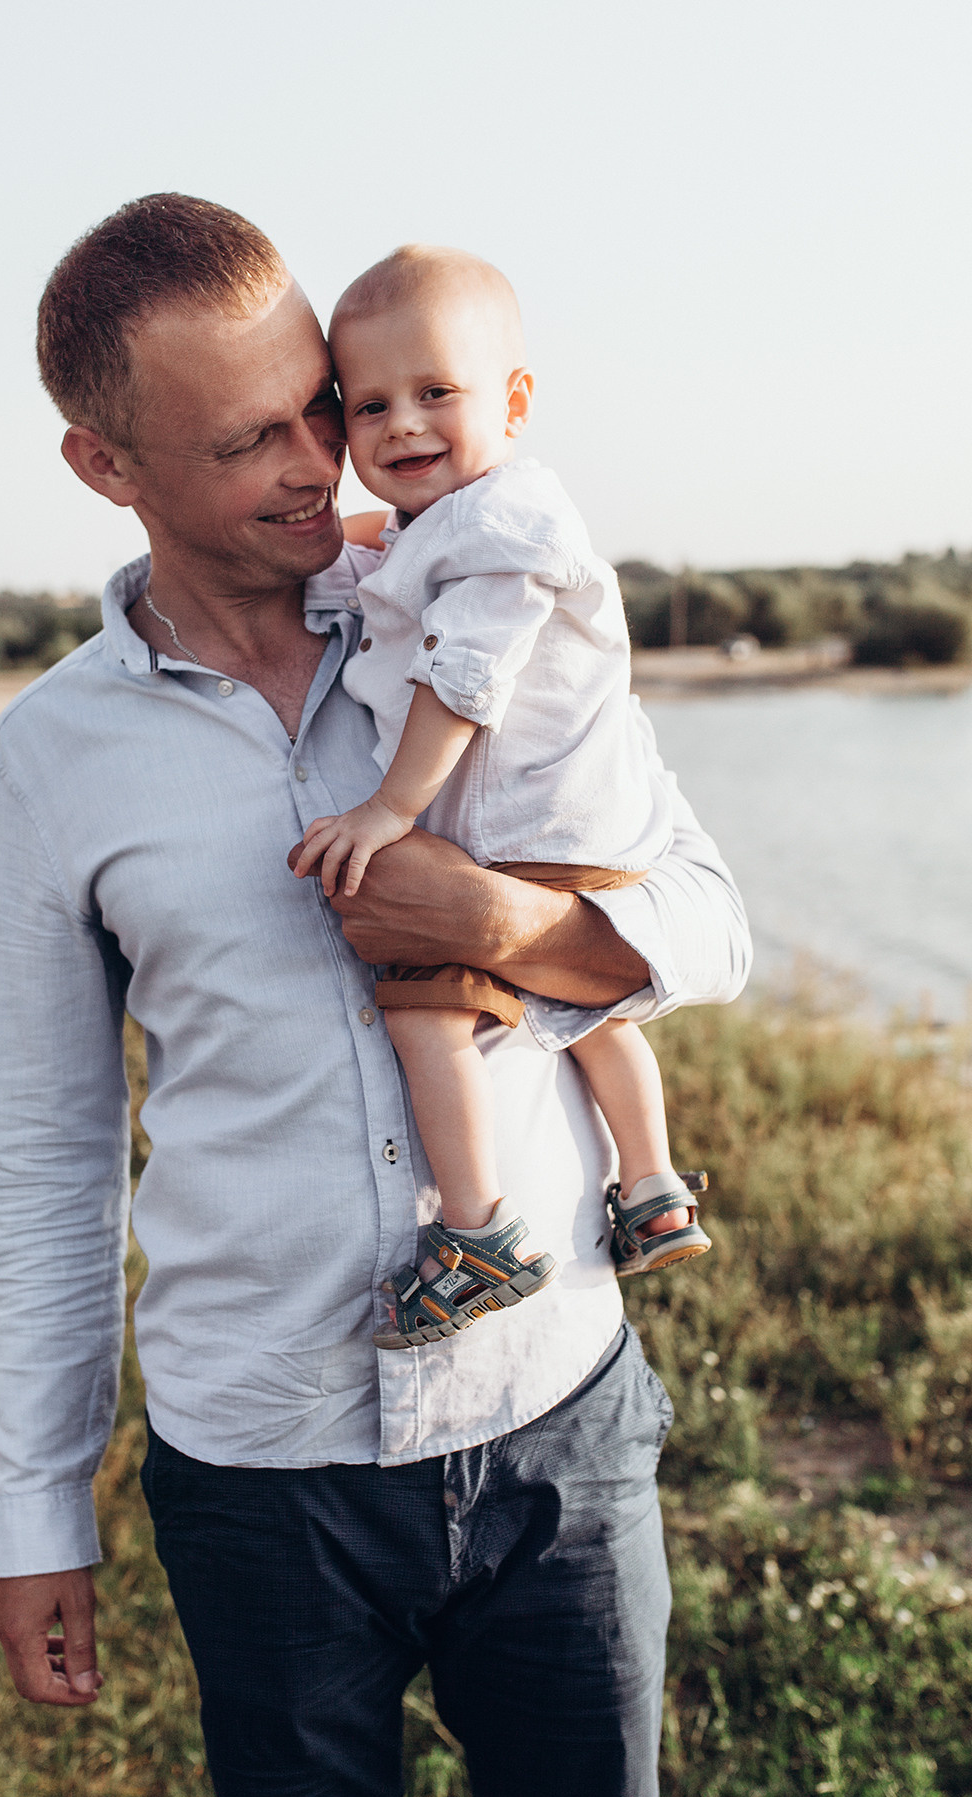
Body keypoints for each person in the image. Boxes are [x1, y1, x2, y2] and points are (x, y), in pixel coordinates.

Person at [0, 192, 751, 1797]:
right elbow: (49, 1152)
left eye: (319, 405)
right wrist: (37, 1502)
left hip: (562, 1427)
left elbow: (712, 923)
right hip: (264, 1474)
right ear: (104, 467)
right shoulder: (50, 758)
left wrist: (493, 918)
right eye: (247, 438)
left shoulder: (475, 607)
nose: (317, 462)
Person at [294, 246, 710, 1349]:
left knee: (428, 1007)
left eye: (437, 392)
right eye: (369, 404)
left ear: (515, 401)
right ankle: (653, 1184)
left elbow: (462, 681)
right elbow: (375, 584)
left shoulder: (499, 527)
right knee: (593, 1010)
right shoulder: (455, 526)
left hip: (528, 830)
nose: (402, 424)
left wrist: (389, 809)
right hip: (584, 832)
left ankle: (480, 1236)